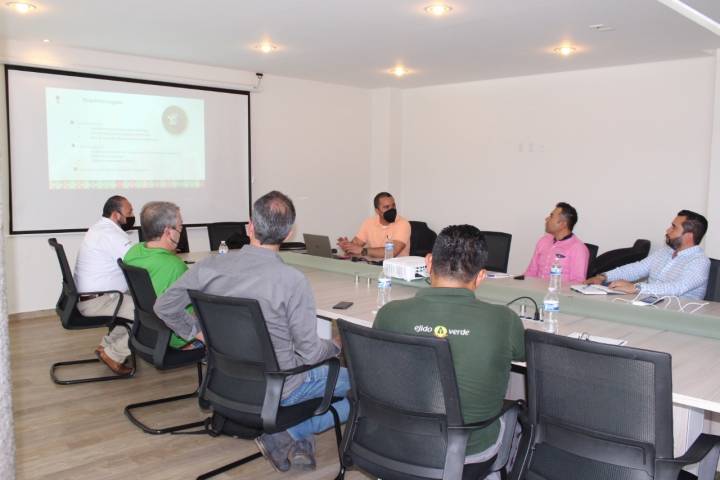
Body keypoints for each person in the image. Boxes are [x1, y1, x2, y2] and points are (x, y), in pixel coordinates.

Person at [154, 191, 348, 472]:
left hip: (223, 380)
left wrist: (198, 334)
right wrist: (337, 345)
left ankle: (292, 436)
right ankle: (291, 432)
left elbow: (164, 306)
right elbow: (310, 353)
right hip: (282, 387)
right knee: (367, 387)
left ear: (250, 227)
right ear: (288, 233)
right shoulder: (292, 280)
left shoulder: (209, 266)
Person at [374, 225, 525, 479]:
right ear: (481, 276)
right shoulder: (504, 320)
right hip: (469, 454)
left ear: (428, 263)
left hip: (398, 445)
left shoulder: (389, 314)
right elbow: (522, 354)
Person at [123, 201, 202, 349]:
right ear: (168, 232)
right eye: (180, 227)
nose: (181, 231)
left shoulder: (134, 251)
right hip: (178, 338)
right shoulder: (174, 266)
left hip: (148, 331)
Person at [586, 210, 710, 299]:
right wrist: (603, 277)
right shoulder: (665, 252)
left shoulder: (699, 261)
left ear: (688, 236)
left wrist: (637, 288)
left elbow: (677, 288)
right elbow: (636, 269)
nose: (668, 230)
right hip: (650, 308)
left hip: (681, 318)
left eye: (674, 227)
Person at [75, 195, 136, 375]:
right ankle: (114, 354)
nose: (132, 216)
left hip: (95, 298)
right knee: (150, 312)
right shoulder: (109, 233)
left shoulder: (100, 229)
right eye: (129, 212)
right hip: (100, 301)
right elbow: (136, 260)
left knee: (136, 302)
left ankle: (106, 347)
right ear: (116, 215)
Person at [524, 202, 589, 283]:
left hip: (558, 290)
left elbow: (577, 282)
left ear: (563, 224)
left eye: (551, 216)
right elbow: (531, 272)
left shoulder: (578, 248)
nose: (546, 219)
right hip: (534, 289)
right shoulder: (544, 240)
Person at [337, 191, 411, 257]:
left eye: (393, 205)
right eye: (386, 207)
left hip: (394, 267)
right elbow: (356, 244)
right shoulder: (369, 222)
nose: (391, 209)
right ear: (377, 211)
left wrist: (363, 250)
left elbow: (392, 252)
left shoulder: (403, 224)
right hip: (371, 265)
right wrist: (347, 246)